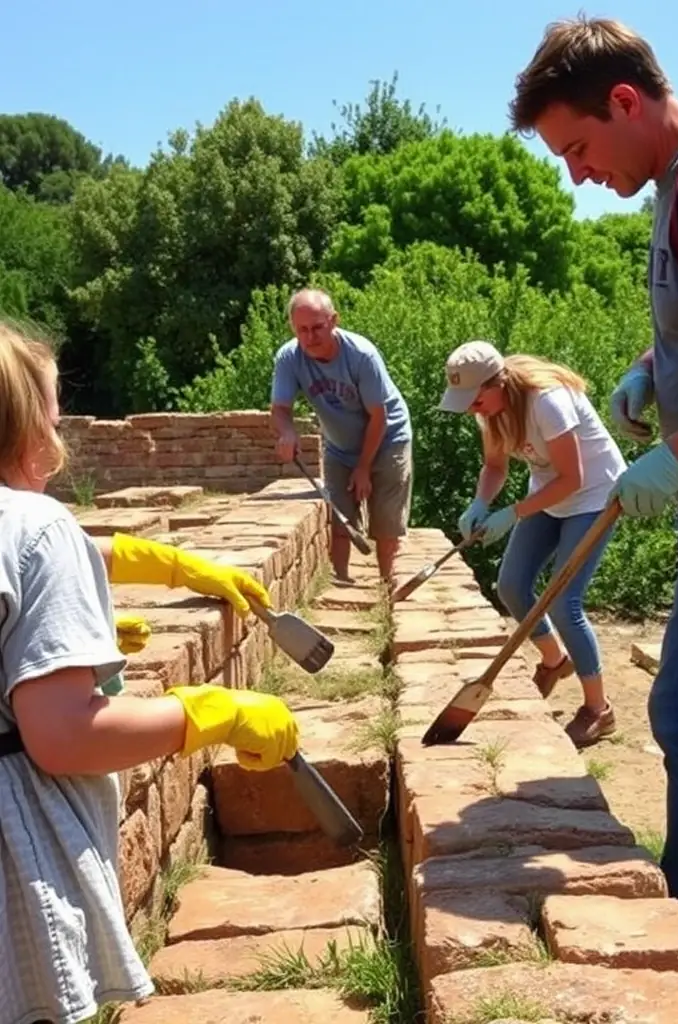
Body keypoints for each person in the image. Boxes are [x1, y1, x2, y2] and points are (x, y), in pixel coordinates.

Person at [510, 14, 678, 972]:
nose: (577, 173)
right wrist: (652, 366)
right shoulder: (676, 190)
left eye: (577, 147)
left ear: (625, 101)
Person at [0, 320, 300, 1024]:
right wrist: (211, 712)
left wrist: (155, 572)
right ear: (26, 423)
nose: (59, 426)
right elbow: (64, 735)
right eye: (52, 409)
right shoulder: (38, 526)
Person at [440, 340, 626, 747]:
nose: (473, 409)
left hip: (594, 497)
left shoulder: (547, 402)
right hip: (550, 494)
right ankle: (555, 661)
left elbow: (573, 478)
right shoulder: (490, 412)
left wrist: (513, 514)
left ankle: (599, 710)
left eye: (475, 400)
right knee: (510, 585)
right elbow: (494, 465)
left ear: (497, 384)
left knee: (564, 600)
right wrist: (481, 502)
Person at [270, 288, 413, 584]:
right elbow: (280, 408)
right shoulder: (289, 357)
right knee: (340, 519)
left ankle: (389, 590)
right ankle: (343, 582)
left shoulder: (361, 355)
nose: (310, 337)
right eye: (302, 330)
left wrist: (363, 468)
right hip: (339, 445)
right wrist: (287, 433)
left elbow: (379, 416)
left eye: (317, 327)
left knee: (386, 524)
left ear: (334, 320)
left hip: (388, 439)